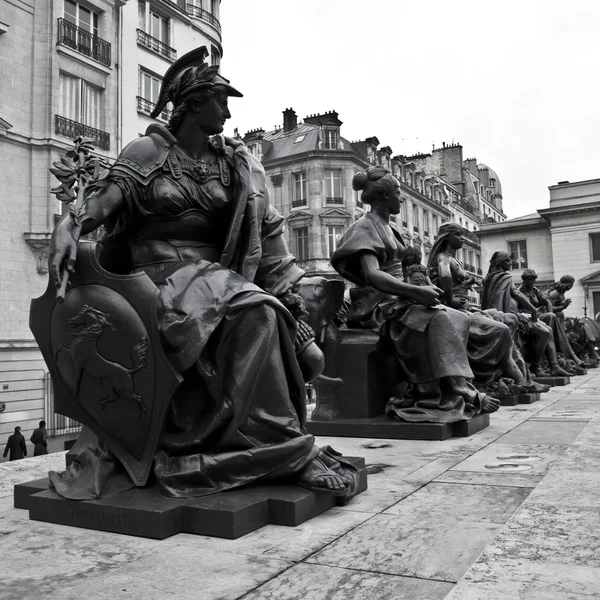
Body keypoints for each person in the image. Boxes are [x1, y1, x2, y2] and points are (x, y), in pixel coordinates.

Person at [47, 47, 358, 502]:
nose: (229, 111)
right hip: (155, 279)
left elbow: (265, 230)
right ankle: (286, 449)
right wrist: (69, 225)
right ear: (192, 103)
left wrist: (293, 286)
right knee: (255, 314)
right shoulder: (148, 151)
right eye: (220, 99)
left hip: (214, 280)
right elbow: (103, 203)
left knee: (269, 319)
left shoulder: (231, 165)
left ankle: (259, 442)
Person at [330, 165, 499, 424]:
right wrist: (415, 291)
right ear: (385, 195)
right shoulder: (364, 226)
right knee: (437, 319)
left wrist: (420, 289)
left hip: (398, 298)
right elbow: (373, 275)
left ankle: (444, 387)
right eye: (398, 193)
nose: (401, 198)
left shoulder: (390, 228)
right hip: (377, 304)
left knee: (460, 318)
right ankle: (462, 392)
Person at [427, 223, 526, 390]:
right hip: (457, 312)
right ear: (447, 237)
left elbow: (451, 277)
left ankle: (513, 375)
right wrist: (450, 298)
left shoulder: (454, 259)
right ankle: (505, 377)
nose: (462, 238)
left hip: (467, 309)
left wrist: (469, 281)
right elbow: (445, 275)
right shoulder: (444, 257)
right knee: (501, 329)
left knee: (511, 319)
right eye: (458, 235)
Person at [481, 252, 570, 377]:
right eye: (507, 260)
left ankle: (552, 366)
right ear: (500, 262)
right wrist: (533, 309)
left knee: (548, 329)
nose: (510, 262)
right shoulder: (504, 277)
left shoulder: (490, 277)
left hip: (502, 314)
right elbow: (516, 294)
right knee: (546, 332)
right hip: (509, 316)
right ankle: (536, 366)